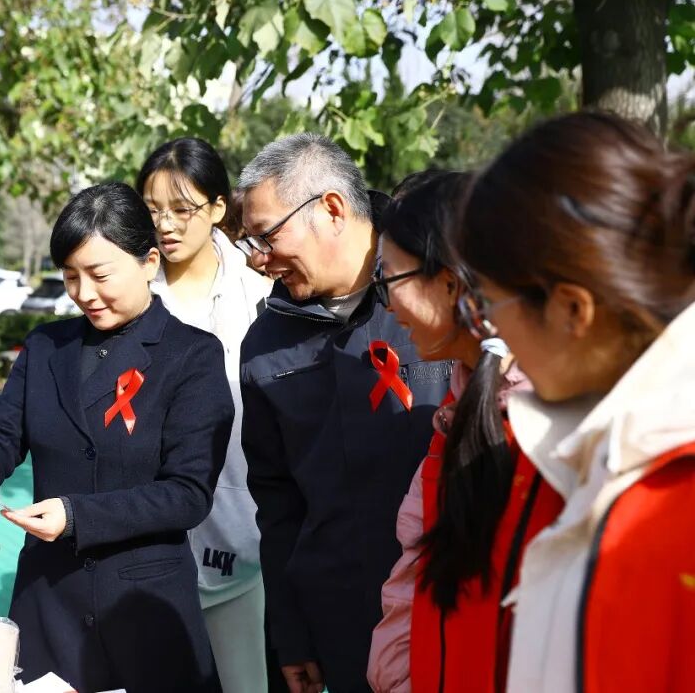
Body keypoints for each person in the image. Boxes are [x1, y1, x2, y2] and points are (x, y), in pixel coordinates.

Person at [0, 182, 234, 693]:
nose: (84, 293)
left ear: (148, 262)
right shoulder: (46, 347)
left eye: (100, 275)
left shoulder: (190, 356)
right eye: (71, 276)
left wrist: (76, 516)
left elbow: (188, 494)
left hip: (144, 609)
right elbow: (1, 429)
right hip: (49, 602)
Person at [451, 111, 695, 693]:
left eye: (488, 302)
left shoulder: (670, 490)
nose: (487, 329)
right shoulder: (599, 457)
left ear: (571, 309)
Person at [235, 134, 451, 693]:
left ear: (330, 208)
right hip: (340, 621)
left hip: (451, 605)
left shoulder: (433, 293)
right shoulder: (266, 344)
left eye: (267, 235)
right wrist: (290, 633)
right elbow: (277, 505)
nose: (259, 258)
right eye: (249, 243)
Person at [366, 171, 563, 693]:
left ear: (449, 282)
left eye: (389, 279)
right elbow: (415, 572)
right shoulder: (461, 404)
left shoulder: (550, 425)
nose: (386, 306)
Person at [136, 137, 273, 692]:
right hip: (151, 539)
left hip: (249, 539)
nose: (166, 225)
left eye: (182, 209)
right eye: (152, 211)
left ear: (218, 208)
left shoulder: (262, 291)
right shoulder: (130, 291)